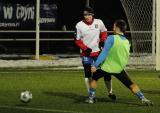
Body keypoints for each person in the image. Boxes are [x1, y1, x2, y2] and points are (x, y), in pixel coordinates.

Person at [86, 19, 153, 106]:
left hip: (106, 67)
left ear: (117, 28)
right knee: (130, 84)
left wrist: (95, 65)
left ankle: (91, 98)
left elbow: (104, 53)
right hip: (119, 68)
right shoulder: (127, 42)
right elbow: (125, 56)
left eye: (114, 26)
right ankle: (143, 99)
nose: (113, 27)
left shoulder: (111, 38)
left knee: (94, 78)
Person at [74, 7, 116, 100]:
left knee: (106, 72)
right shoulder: (79, 25)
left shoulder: (99, 22)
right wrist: (85, 48)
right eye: (85, 15)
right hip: (86, 54)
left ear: (93, 15)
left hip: (98, 53)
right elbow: (77, 40)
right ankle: (91, 95)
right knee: (88, 73)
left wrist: (103, 40)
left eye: (89, 14)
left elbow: (104, 32)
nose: (87, 16)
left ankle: (110, 92)